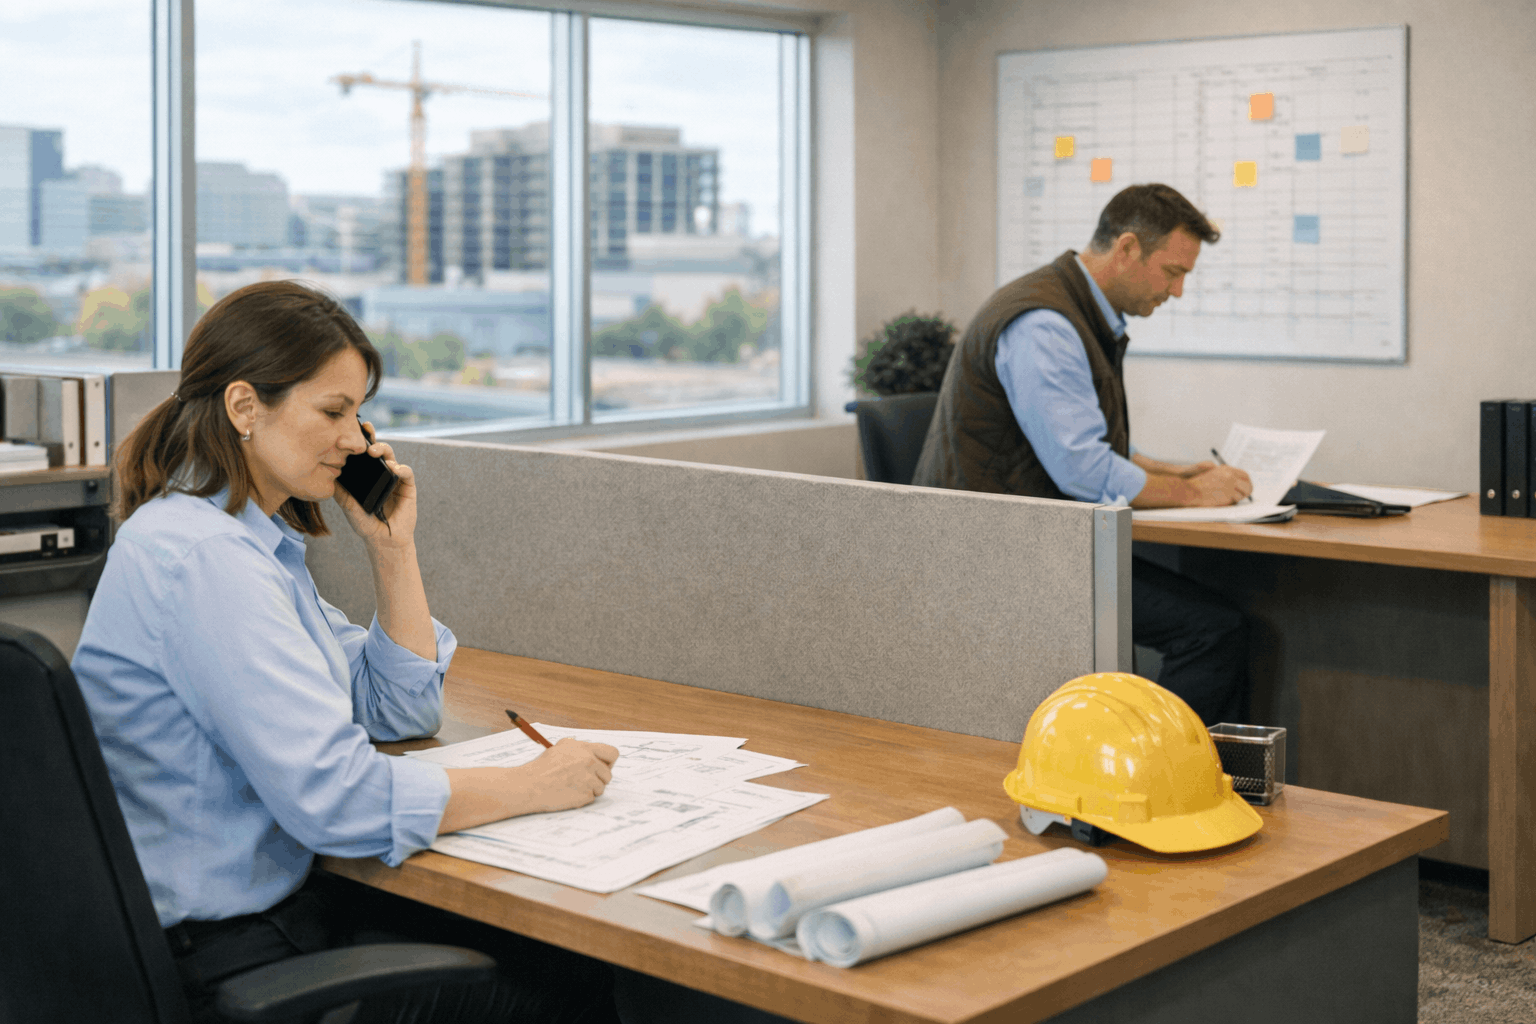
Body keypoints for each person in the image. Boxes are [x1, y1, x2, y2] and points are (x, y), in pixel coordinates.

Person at [71, 279, 622, 1023]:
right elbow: (339, 802)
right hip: (221, 955)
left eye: (358, 414)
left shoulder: (247, 544)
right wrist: (537, 783)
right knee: (560, 988)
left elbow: (396, 709)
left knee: (541, 957)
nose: (356, 440)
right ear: (244, 407)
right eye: (332, 411)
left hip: (249, 924)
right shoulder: (208, 561)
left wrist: (393, 551)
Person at [911, 183, 1251, 725]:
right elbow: (1082, 469)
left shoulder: (1074, 311)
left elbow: (1083, 441)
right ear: (1127, 249)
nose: (1179, 290)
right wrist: (1189, 493)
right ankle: (1158, 781)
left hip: (1032, 543)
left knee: (1212, 617)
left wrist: (1169, 468)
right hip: (997, 558)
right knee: (1214, 629)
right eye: (1172, 271)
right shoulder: (1044, 324)